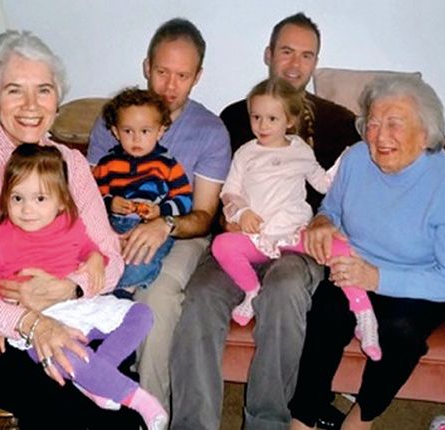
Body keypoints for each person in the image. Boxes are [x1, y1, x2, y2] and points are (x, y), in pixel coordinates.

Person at [0, 30, 143, 429]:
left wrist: (71, 288)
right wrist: (28, 322)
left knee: (116, 388)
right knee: (61, 401)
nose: (30, 105)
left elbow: (109, 255)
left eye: (43, 90)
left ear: (57, 100)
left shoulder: (72, 166)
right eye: (14, 90)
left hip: (65, 304)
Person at [170, 12, 361, 430]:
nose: (295, 64)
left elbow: (351, 187)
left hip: (297, 245)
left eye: (306, 55)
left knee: (285, 289)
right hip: (239, 242)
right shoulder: (235, 117)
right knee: (198, 299)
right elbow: (218, 188)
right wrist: (230, 216)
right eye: (286, 51)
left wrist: (326, 220)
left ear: (316, 62)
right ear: (268, 54)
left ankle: (266, 423)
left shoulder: (339, 123)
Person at [289, 76, 445, 430]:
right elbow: (331, 209)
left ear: (425, 133)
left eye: (394, 123)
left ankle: (362, 417)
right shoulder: (357, 158)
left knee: (401, 331)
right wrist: (322, 222)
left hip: (420, 281)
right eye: (373, 123)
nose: (379, 136)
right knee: (325, 314)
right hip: (355, 269)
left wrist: (378, 278)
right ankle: (303, 418)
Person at [87, 18, 231, 409]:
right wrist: (108, 228)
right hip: (112, 227)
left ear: (198, 76)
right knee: (85, 281)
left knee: (157, 297)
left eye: (182, 76)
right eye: (162, 72)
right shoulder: (113, 121)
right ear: (146, 66)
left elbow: (203, 215)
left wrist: (163, 224)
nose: (170, 86)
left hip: (181, 233)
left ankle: (151, 410)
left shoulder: (210, 131)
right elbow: (90, 193)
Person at [0, 143, 167, 429]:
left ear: (62, 201)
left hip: (78, 304)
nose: (26, 209)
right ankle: (137, 399)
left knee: (142, 314)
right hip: (36, 319)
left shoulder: (69, 224)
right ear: (5, 198)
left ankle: (96, 380)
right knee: (63, 359)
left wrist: (95, 259)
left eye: (40, 198)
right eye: (17, 198)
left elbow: (89, 248)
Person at [212, 77, 381, 361]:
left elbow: (323, 184)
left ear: (289, 121)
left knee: (341, 249)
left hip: (294, 233)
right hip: (257, 236)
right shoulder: (246, 153)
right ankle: (252, 291)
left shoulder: (300, 150)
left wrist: (345, 161)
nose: (262, 125)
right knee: (221, 245)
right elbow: (229, 192)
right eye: (256, 117)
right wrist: (242, 213)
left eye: (272, 118)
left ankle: (364, 315)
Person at [92, 88, 192, 293]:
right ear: (115, 132)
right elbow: (92, 197)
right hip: (112, 226)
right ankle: (103, 289)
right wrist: (110, 202)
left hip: (151, 227)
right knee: (98, 257)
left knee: (141, 260)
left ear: (160, 131)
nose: (136, 139)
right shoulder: (107, 164)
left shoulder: (168, 164)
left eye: (145, 131)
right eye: (128, 131)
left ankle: (124, 290)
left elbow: (184, 199)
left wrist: (161, 211)